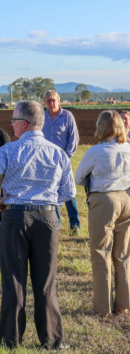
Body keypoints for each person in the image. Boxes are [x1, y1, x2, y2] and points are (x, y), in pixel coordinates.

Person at [0, 101, 75, 350]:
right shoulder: (58, 153)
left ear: (23, 123)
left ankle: (10, 341)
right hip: (47, 218)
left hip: (14, 218)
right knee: (46, 284)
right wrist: (49, 204)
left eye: (12, 120)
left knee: (13, 282)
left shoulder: (8, 151)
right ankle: (52, 341)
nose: (11, 124)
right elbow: (69, 192)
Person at [76, 111, 130, 316]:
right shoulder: (128, 147)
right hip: (126, 199)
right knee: (123, 256)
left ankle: (102, 308)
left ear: (102, 126)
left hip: (104, 201)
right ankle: (123, 305)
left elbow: (79, 178)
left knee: (101, 254)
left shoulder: (95, 152)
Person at [42, 90, 81, 233]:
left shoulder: (67, 116)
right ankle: (55, 225)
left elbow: (74, 139)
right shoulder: (42, 117)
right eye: (48, 100)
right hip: (45, 162)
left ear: (59, 100)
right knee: (51, 193)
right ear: (44, 103)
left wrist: (65, 157)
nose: (51, 103)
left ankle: (75, 225)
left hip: (63, 161)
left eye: (53, 100)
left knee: (69, 193)